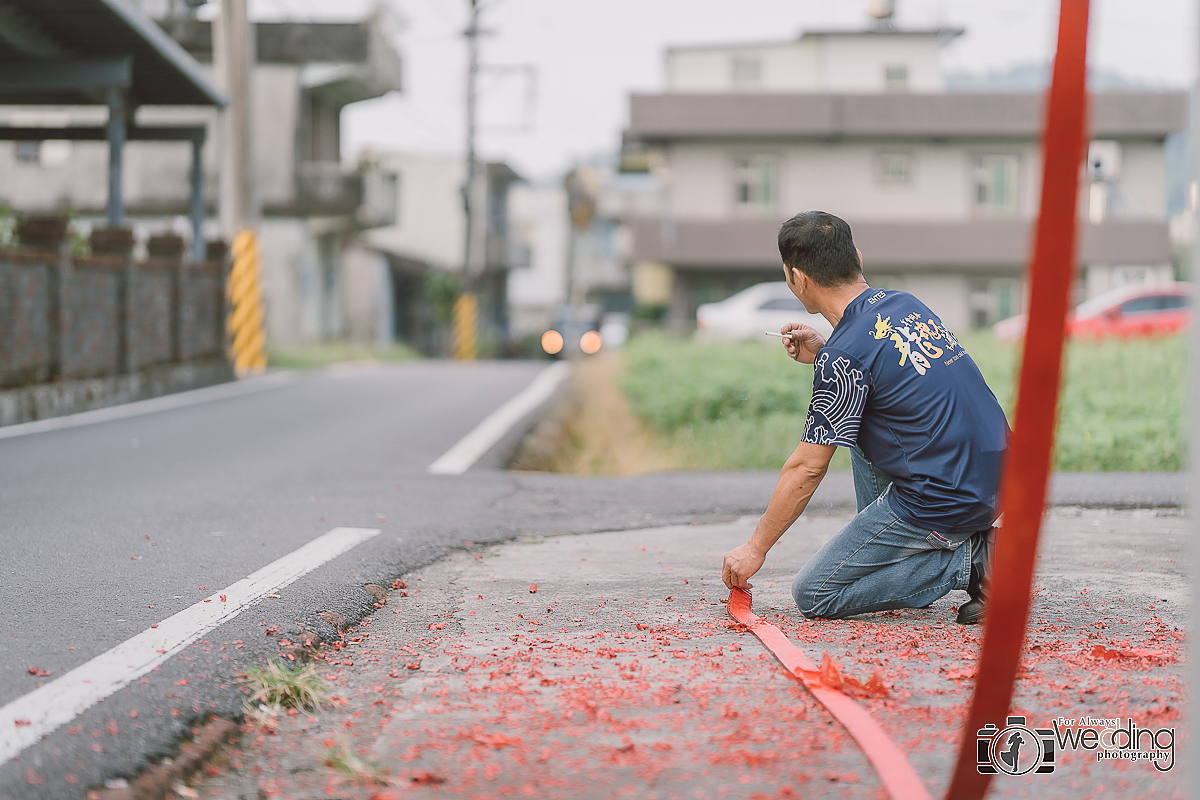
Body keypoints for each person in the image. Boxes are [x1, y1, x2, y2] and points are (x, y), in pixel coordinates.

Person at [721, 211, 1008, 625]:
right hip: (999, 474)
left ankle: (974, 562)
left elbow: (807, 467)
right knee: (853, 425)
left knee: (816, 593)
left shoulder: (846, 356)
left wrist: (755, 548)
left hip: (950, 497)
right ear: (857, 256)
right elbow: (892, 378)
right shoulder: (903, 304)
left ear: (797, 278)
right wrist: (825, 352)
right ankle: (912, 559)